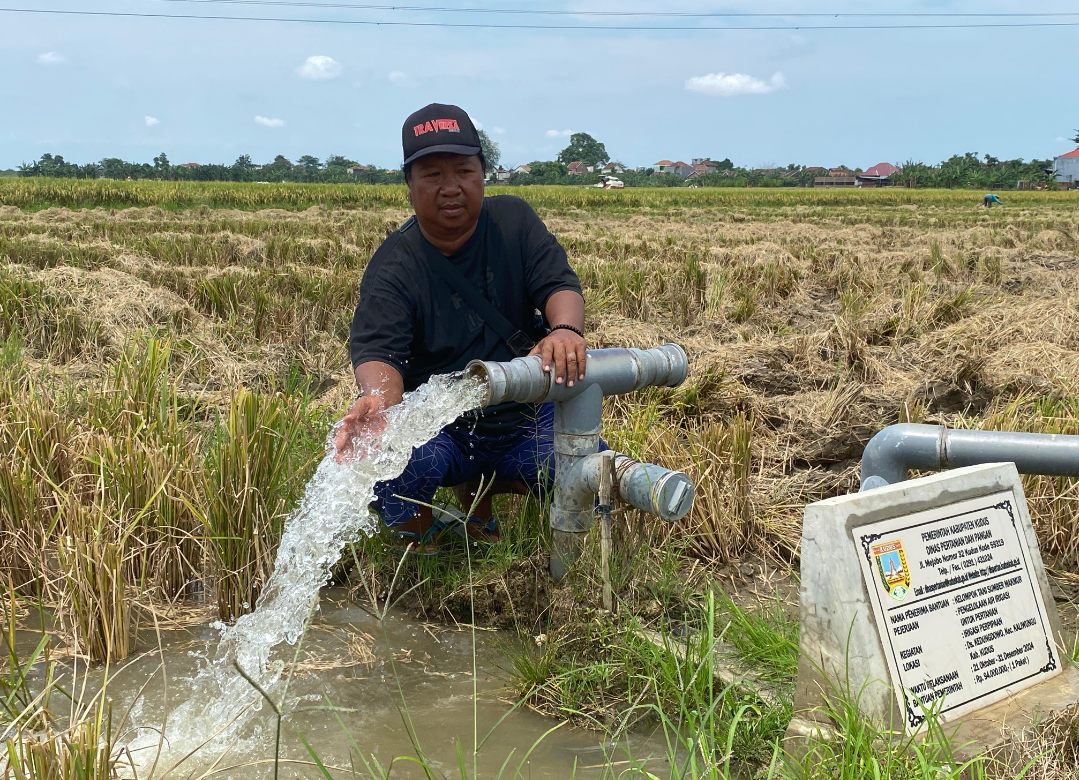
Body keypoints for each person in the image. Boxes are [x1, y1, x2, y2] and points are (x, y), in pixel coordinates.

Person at [334, 103, 588, 549]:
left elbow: (558, 284)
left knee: (584, 468)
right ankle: (416, 544)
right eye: (432, 174)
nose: (451, 187)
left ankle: (484, 502)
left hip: (524, 415)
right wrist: (376, 401)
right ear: (409, 184)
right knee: (383, 465)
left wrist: (564, 330)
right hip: (444, 428)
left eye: (464, 170)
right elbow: (379, 352)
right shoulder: (393, 267)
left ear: (483, 174)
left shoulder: (514, 222)